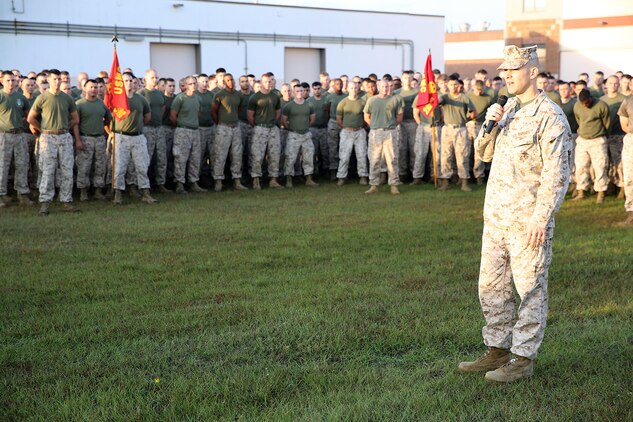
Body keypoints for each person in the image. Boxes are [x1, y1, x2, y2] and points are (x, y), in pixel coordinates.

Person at [460, 45, 571, 383]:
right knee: (492, 288)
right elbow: (483, 154)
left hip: (527, 222)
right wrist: (489, 123)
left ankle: (523, 358)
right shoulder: (506, 110)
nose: (506, 75)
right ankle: (497, 349)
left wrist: (541, 218)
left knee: (530, 289)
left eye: (514, 69)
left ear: (533, 72)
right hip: (496, 218)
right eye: (504, 70)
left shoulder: (549, 116)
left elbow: (558, 173)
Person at [27, 69, 82, 215]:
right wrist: (43, 130)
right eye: (55, 79)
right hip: (47, 138)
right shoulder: (42, 98)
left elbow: (75, 119)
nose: (57, 82)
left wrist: (64, 129)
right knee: (48, 170)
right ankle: (45, 202)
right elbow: (31, 118)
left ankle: (66, 200)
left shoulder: (67, 98)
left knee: (67, 170)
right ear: (49, 80)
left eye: (59, 79)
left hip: (64, 137)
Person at [110, 72, 157, 205]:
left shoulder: (141, 99)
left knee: (142, 166)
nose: (129, 83)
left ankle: (145, 193)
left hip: (137, 137)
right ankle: (118, 194)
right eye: (126, 81)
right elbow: (108, 118)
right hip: (121, 136)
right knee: (119, 167)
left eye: (131, 80)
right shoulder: (116, 99)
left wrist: (138, 127)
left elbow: (147, 117)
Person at [363, 79, 403, 195]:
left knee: (392, 159)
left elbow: (399, 117)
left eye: (387, 86)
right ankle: (373, 185)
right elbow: (366, 117)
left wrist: (389, 126)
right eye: (383, 86)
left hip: (390, 132)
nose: (385, 89)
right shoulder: (372, 100)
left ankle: (394, 185)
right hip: (376, 133)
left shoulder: (395, 100)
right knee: (374, 159)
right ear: (378, 87)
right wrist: (375, 126)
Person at [74, 79, 111, 201]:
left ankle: (98, 190)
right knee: (84, 166)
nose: (94, 90)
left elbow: (108, 119)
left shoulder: (101, 104)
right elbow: (75, 124)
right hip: (85, 138)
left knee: (100, 166)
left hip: (99, 139)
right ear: (84, 88)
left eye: (96, 87)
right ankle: (83, 191)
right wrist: (78, 140)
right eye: (91, 87)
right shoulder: (79, 104)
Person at [438, 75, 476, 192]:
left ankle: (464, 182)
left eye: (455, 84)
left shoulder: (464, 98)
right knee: (446, 156)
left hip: (461, 129)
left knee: (462, 156)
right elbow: (438, 101)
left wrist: (466, 119)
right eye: (450, 84)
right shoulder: (445, 97)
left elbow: (473, 112)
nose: (453, 87)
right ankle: (445, 181)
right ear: (447, 85)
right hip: (447, 129)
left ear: (458, 85)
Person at [0, 71, 33, 208]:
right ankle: (1, 195)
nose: (11, 83)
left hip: (19, 135)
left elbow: (28, 114)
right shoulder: (1, 96)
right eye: (8, 80)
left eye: (13, 80)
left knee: (22, 165)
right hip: (3, 135)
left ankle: (22, 194)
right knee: (2, 166)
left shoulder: (21, 98)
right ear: (2, 81)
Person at [572, 89, 610, 203]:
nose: (585, 105)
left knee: (600, 167)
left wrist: (602, 134)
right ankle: (581, 192)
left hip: (598, 140)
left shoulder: (601, 105)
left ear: (591, 98)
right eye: (582, 103)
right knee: (580, 167)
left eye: (587, 102)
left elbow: (607, 123)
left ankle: (601, 193)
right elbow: (579, 120)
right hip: (582, 140)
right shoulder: (577, 106)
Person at [211, 73, 247, 191]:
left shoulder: (238, 95)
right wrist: (220, 123)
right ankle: (218, 180)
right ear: (224, 82)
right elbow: (214, 111)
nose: (230, 82)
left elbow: (239, 108)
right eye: (227, 80)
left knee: (237, 155)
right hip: (223, 127)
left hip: (236, 127)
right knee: (220, 154)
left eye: (231, 79)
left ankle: (236, 180)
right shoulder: (219, 95)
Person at [170, 75, 207, 194]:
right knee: (181, 158)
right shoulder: (180, 98)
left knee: (195, 158)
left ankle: (194, 182)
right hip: (182, 131)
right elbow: (173, 116)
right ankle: (179, 183)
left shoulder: (198, 99)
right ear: (185, 86)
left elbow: (198, 114)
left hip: (195, 131)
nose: (193, 86)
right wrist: (182, 125)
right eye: (190, 84)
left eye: (195, 83)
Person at [247, 73, 282, 190]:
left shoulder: (275, 96)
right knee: (257, 155)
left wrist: (272, 122)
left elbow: (278, 111)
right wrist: (258, 125)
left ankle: (273, 179)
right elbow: (250, 116)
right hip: (260, 128)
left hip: (272, 128)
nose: (269, 83)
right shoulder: (255, 97)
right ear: (261, 83)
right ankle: (256, 180)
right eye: (266, 81)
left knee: (274, 154)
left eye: (271, 81)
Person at [281, 84, 318, 188]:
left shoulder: (309, 105)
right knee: (290, 157)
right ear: (293, 92)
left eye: (301, 91)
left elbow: (312, 119)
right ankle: (289, 179)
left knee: (308, 157)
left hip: (306, 134)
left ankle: (309, 179)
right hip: (293, 134)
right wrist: (292, 128)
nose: (300, 93)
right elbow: (284, 121)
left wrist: (305, 127)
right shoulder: (288, 106)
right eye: (297, 91)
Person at [139, 69, 169, 193]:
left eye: (156, 77)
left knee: (162, 157)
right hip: (147, 129)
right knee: (146, 158)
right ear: (146, 79)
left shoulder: (159, 94)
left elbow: (162, 107)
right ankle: (144, 185)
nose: (155, 80)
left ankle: (160, 183)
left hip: (159, 128)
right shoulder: (142, 93)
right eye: (152, 77)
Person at [335, 81, 368, 185]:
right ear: (348, 89)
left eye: (355, 88)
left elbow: (365, 117)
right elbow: (339, 119)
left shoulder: (363, 102)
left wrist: (361, 126)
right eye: (351, 88)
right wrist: (345, 128)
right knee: (344, 156)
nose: (354, 90)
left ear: (358, 89)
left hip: (359, 132)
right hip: (346, 132)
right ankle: (341, 177)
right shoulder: (342, 103)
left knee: (362, 155)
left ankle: (363, 176)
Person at [600, 75, 626, 198]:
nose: (613, 85)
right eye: (610, 83)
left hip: (619, 135)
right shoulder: (601, 100)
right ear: (606, 84)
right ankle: (610, 185)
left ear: (619, 84)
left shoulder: (624, 100)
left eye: (615, 83)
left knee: (619, 163)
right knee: (606, 163)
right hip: (604, 136)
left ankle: (622, 187)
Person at [467, 80, 494, 184]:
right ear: (474, 87)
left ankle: (479, 176)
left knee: (479, 151)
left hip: (481, 125)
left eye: (481, 90)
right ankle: (467, 176)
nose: (479, 92)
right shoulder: (468, 96)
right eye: (477, 90)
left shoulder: (488, 98)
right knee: (467, 152)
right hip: (469, 124)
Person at [616, 94, 633, 226]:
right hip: (631, 140)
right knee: (630, 177)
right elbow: (624, 124)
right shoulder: (628, 100)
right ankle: (631, 212)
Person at [325, 79, 347, 180]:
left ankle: (344, 171)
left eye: (340, 84)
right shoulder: (330, 97)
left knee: (343, 148)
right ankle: (333, 170)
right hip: (333, 122)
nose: (339, 86)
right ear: (333, 86)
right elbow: (327, 110)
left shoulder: (346, 96)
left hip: (344, 123)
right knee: (332, 147)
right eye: (337, 84)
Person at [307, 81, 329, 176]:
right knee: (313, 151)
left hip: (324, 128)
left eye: (319, 89)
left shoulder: (326, 99)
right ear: (312, 90)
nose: (317, 91)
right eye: (315, 89)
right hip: (313, 129)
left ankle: (325, 170)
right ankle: (313, 172)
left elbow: (328, 112)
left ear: (321, 89)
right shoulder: (309, 101)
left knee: (325, 151)